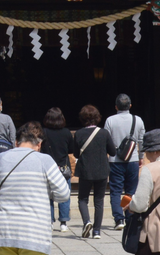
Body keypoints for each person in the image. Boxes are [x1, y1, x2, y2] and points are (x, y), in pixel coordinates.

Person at [0, 121, 71, 255]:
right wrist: (46, 192)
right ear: (39, 144)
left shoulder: (2, 158)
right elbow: (64, 194)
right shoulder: (45, 160)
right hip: (34, 233)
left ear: (16, 142)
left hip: (5, 232)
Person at [72, 104, 116, 239]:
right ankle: (97, 231)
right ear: (97, 118)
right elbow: (113, 152)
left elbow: (76, 154)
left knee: (82, 199)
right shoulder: (104, 133)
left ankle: (87, 221)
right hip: (102, 170)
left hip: (85, 170)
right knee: (99, 201)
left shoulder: (79, 133)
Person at [105, 93, 146, 229]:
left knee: (115, 190)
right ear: (130, 106)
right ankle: (129, 216)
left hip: (115, 159)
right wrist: (141, 157)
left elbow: (107, 140)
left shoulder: (110, 120)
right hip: (133, 159)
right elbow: (141, 141)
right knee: (130, 190)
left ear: (116, 107)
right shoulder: (138, 120)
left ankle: (118, 219)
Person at [40, 107, 74, 232]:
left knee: (48, 195)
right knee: (64, 194)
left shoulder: (43, 133)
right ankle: (63, 222)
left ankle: (49, 221)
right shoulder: (66, 132)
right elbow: (71, 150)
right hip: (63, 169)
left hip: (48, 168)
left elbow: (41, 150)